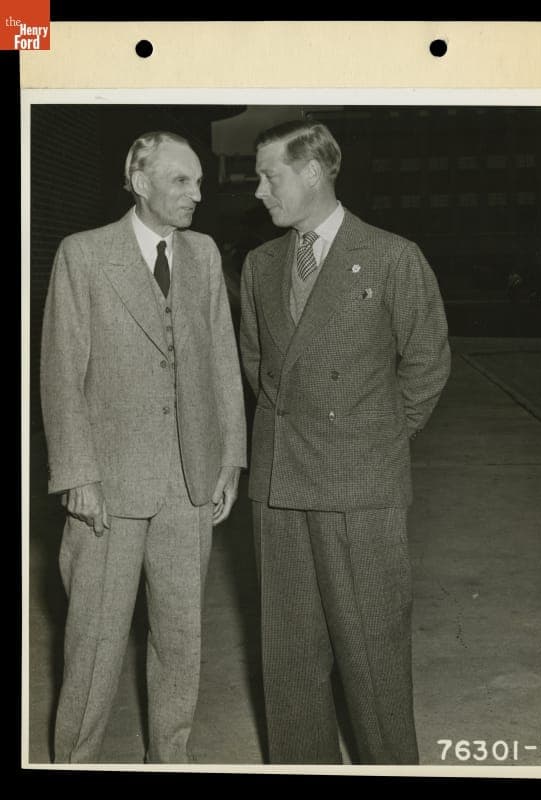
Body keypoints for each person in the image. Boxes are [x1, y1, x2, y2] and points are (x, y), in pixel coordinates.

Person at [240, 120, 451, 764]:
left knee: (372, 656)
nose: (258, 191)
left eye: (269, 176)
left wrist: (372, 439)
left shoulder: (392, 256)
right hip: (279, 487)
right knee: (289, 659)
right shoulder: (260, 264)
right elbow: (258, 364)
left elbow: (427, 364)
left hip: (359, 486)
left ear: (312, 173)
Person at [41, 130, 247, 764]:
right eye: (182, 180)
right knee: (95, 644)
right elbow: (60, 372)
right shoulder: (84, 254)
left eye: (199, 182)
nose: (196, 193)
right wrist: (77, 474)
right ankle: (74, 760)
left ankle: (170, 758)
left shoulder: (203, 254)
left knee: (181, 640)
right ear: (139, 182)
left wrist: (230, 458)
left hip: (190, 483)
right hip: (110, 485)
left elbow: (221, 360)